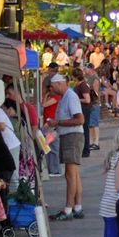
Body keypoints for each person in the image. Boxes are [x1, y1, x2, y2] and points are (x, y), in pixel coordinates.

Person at [46, 74, 85, 221]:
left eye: (52, 86)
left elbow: (80, 119)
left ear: (60, 84)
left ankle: (68, 209)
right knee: (74, 174)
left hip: (72, 136)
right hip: (69, 136)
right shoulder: (65, 97)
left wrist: (58, 123)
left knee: (70, 174)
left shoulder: (70, 96)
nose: (51, 89)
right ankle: (77, 207)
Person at [73, 67, 92, 157]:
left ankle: (86, 149)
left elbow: (87, 100)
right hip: (81, 109)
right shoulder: (79, 85)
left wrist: (77, 99)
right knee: (82, 129)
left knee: (85, 129)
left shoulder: (83, 86)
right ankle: (83, 148)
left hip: (85, 109)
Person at [85, 64, 102, 151]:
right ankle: (92, 142)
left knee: (94, 123)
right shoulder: (88, 78)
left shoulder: (95, 78)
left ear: (91, 69)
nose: (85, 70)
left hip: (94, 103)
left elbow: (95, 92)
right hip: (90, 103)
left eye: (86, 69)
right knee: (90, 124)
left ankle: (96, 142)